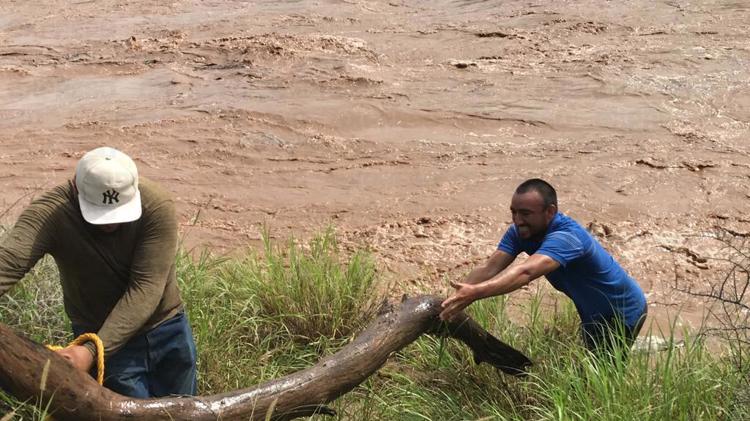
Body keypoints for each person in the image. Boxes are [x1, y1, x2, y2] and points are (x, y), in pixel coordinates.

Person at [0, 146, 197, 398]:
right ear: (76, 189)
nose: (111, 223)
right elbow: (8, 262)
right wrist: (92, 350)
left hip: (167, 329)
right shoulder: (51, 214)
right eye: (100, 215)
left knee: (185, 408)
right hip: (103, 336)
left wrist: (92, 350)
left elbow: (146, 287)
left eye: (119, 214)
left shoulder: (156, 207)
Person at [440, 178, 647, 356]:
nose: (517, 220)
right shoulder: (520, 232)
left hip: (622, 310)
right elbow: (488, 270)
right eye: (513, 212)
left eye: (526, 213)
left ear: (550, 212)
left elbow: (526, 272)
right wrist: (449, 303)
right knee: (592, 359)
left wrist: (475, 293)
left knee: (601, 371)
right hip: (591, 311)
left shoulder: (567, 237)